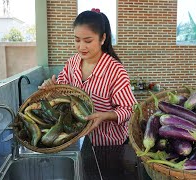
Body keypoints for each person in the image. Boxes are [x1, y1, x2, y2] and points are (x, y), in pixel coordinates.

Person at [39, 9, 137, 146]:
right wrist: (51, 87)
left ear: (102, 38)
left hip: (109, 145)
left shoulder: (116, 71)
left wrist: (105, 116)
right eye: (77, 40)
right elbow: (61, 93)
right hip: (76, 139)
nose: (81, 46)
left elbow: (129, 109)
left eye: (88, 41)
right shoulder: (72, 63)